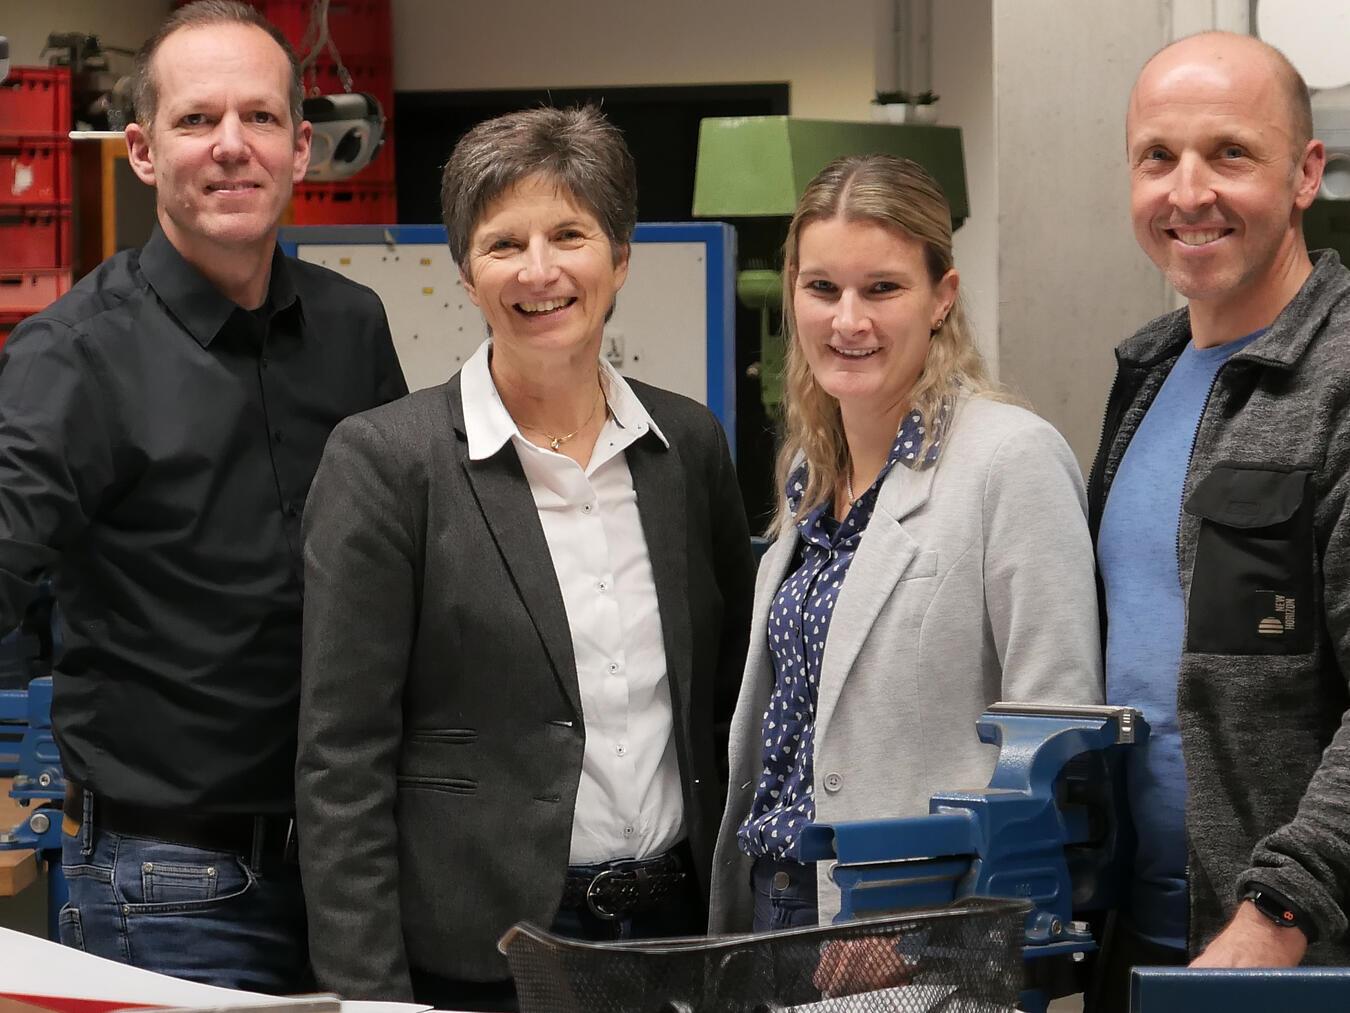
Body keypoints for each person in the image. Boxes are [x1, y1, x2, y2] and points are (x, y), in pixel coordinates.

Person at [296, 105, 755, 1008]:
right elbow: (340, 762)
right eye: (504, 243)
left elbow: (725, 702)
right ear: (465, 272)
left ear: (619, 259)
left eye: (569, 235)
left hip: (678, 940)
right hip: (484, 963)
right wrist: (368, 997)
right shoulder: (388, 461)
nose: (539, 270)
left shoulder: (688, 446)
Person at [0, 0, 406, 991]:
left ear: (302, 147)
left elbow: (412, 562)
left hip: (358, 865)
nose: (233, 147)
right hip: (168, 883)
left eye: (261, 119)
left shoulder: (353, 328)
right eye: (197, 121)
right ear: (142, 151)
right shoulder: (76, 355)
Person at [707, 154, 1104, 936]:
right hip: (777, 903)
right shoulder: (809, 472)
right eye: (822, 288)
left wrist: (920, 930)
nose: (847, 320)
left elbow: (1058, 743)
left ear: (940, 297)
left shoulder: (1008, 461)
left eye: (882, 288)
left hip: (915, 927)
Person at [1086, 31, 1350, 1008]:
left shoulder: (1338, 387)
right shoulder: (1145, 376)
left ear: (1306, 173)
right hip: (1142, 939)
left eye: (1229, 153)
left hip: (1296, 961)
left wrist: (1280, 911)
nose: (1187, 191)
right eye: (1159, 157)